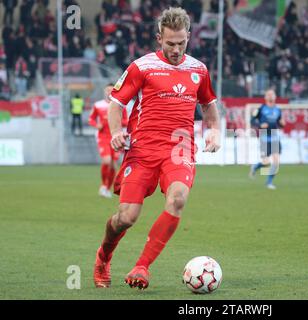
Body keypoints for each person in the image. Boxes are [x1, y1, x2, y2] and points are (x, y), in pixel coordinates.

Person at [93, 7, 221, 290]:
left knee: (177, 200)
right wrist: (116, 132)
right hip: (142, 150)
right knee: (127, 217)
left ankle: (142, 266)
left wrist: (213, 131)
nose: (176, 49)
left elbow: (209, 104)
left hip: (179, 150)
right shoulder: (142, 67)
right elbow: (117, 103)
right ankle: (104, 257)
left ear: (188, 36)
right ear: (158, 39)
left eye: (181, 43)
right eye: (170, 43)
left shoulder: (198, 69)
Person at [88, 84, 128, 198]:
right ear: (104, 92)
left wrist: (116, 122)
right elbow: (91, 119)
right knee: (107, 161)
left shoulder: (120, 106)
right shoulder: (98, 105)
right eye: (107, 90)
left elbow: (126, 120)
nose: (109, 92)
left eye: (111, 90)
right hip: (103, 137)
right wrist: (97, 125)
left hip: (115, 137)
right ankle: (103, 185)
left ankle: (106, 188)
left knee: (113, 165)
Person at [249, 89, 285, 189]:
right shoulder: (260, 109)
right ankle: (255, 166)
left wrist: (282, 124)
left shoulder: (278, 110)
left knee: (276, 161)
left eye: (272, 94)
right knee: (266, 162)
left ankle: (269, 182)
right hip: (264, 136)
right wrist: (260, 124)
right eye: (268, 94)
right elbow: (252, 121)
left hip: (274, 135)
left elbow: (280, 123)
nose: (270, 96)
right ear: (265, 97)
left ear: (275, 96)